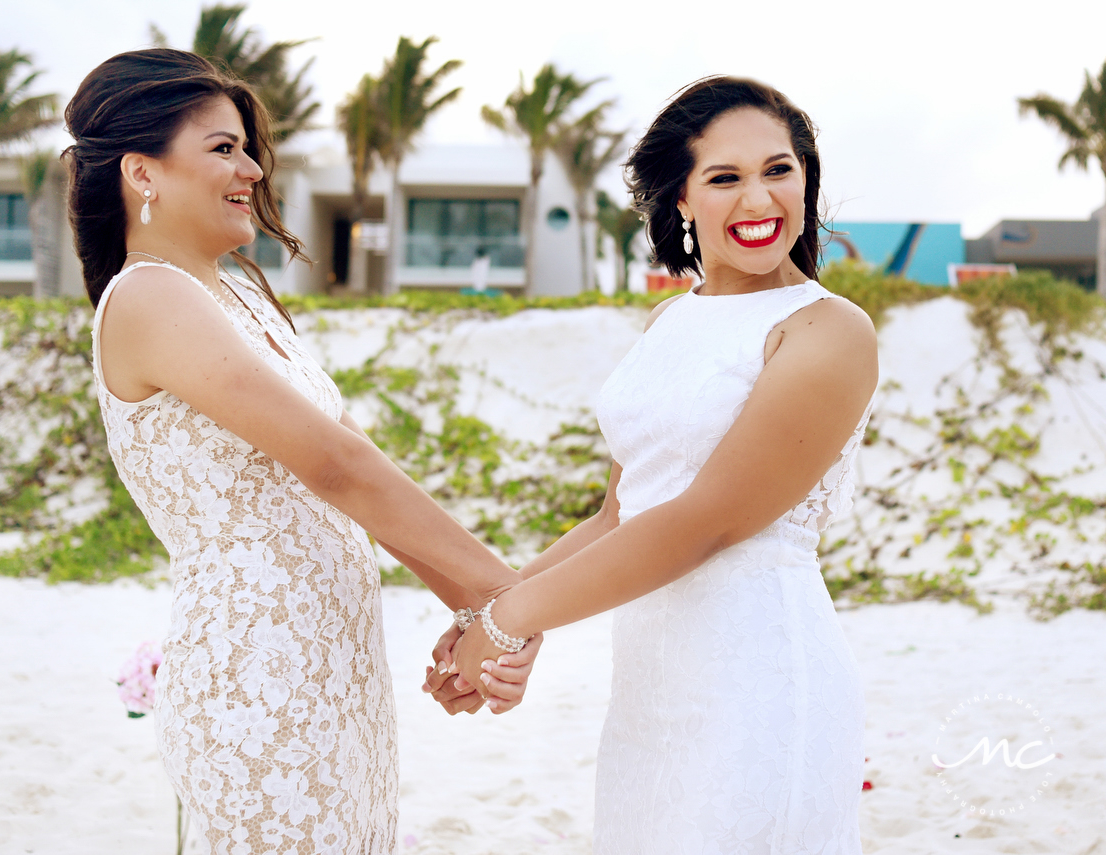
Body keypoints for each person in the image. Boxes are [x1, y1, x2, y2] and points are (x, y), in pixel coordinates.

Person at [65, 49, 540, 854]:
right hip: (259, 673)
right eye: (223, 148)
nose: (251, 167)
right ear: (142, 173)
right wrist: (509, 600)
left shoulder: (238, 294)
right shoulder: (146, 296)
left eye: (247, 147)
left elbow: (355, 458)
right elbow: (332, 465)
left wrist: (475, 607)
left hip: (336, 661)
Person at [439, 76, 877, 853]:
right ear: (681, 198)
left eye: (779, 170)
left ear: (807, 181)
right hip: (650, 693)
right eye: (725, 177)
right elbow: (620, 515)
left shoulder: (827, 330)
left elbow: (702, 522)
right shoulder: (670, 319)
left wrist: (511, 621)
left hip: (760, 678)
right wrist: (488, 615)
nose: (759, 199)